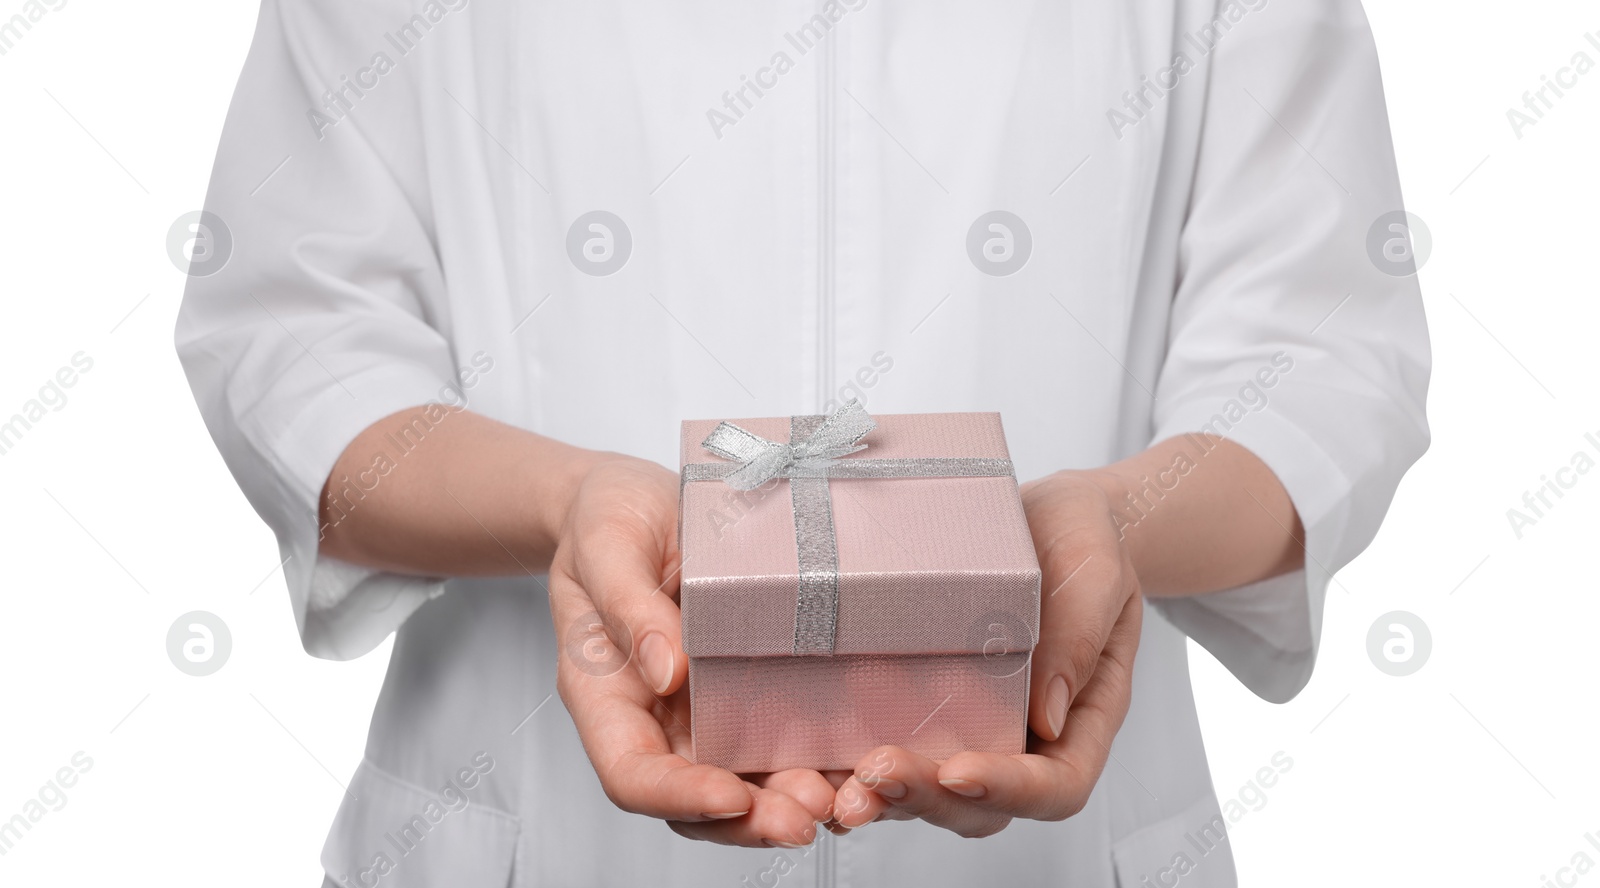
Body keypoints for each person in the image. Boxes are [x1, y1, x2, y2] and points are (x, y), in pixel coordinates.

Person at [176, 0, 1429, 884]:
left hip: (1055, 854)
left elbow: (1319, 366)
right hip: (532, 832)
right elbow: (292, 331)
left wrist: (1100, 528)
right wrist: (564, 505)